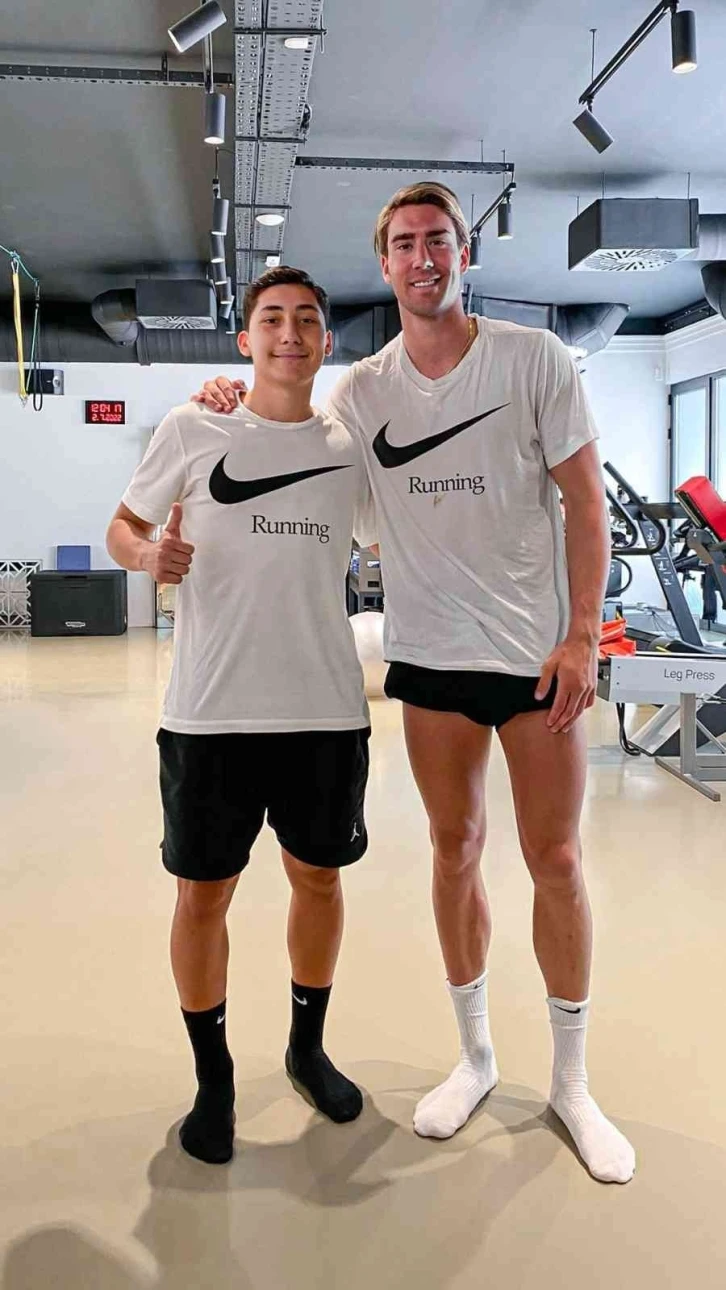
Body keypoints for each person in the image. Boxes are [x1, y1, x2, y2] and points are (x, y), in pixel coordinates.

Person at [191, 183, 635, 1185]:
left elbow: (584, 503)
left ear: (464, 253)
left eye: (438, 240)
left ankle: (571, 1081)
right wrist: (222, 402)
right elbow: (287, 435)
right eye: (404, 244)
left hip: (533, 656)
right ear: (384, 262)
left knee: (557, 857)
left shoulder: (534, 359)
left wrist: (581, 637)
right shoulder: (364, 391)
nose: (422, 257)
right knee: (453, 850)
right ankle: (475, 1057)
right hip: (431, 658)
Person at [107, 267, 377, 1165]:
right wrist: (148, 555)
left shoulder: (350, 445)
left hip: (324, 712)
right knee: (203, 894)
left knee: (319, 881)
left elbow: (400, 528)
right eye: (271, 319)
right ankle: (213, 1078)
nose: (289, 334)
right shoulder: (193, 426)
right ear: (245, 339)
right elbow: (122, 526)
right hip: (210, 713)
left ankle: (306, 1049)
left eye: (306, 320)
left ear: (326, 340)